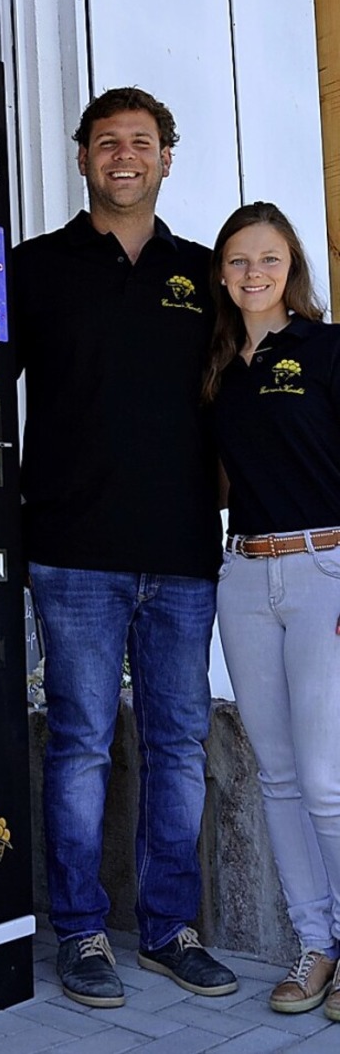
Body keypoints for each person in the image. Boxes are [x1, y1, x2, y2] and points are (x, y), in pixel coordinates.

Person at [13, 87, 238, 1008]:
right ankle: (81, 933)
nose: (124, 156)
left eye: (141, 142)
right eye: (107, 142)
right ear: (82, 159)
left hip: (184, 553)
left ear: (166, 158)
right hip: (72, 551)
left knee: (180, 746)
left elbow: (246, 407)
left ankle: (170, 929)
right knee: (80, 746)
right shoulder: (34, 268)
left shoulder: (202, 274)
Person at [204, 200, 340, 1023]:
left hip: (324, 566)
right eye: (238, 261)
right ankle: (315, 944)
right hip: (245, 579)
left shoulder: (327, 349)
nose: (254, 274)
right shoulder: (217, 365)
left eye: (270, 259)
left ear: (292, 269)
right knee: (280, 779)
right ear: (221, 274)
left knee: (328, 781)